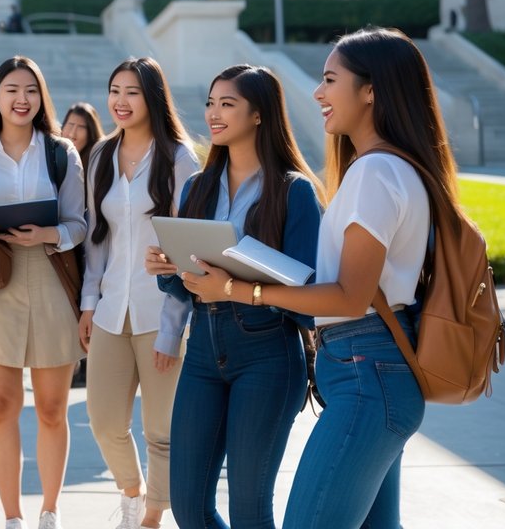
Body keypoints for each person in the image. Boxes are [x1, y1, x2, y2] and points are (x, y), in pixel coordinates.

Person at [177, 28, 454, 529]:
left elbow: (350, 297)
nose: (317, 92)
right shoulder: (390, 168)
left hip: (365, 370)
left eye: (330, 79)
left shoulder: (374, 174)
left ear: (371, 91)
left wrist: (237, 289)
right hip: (367, 369)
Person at [145, 65, 324, 529]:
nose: (213, 114)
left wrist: (236, 286)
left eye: (227, 104)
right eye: (210, 103)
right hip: (204, 350)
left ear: (259, 115)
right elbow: (184, 283)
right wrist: (169, 269)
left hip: (267, 353)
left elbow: (307, 292)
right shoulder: (196, 187)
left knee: (249, 509)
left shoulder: (294, 191)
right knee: (187, 505)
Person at [78, 57, 197, 529]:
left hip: (160, 312)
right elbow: (95, 238)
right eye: (114, 91)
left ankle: (151, 516)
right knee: (104, 421)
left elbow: (186, 247)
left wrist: (173, 328)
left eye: (131, 92)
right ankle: (132, 491)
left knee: (161, 431)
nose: (120, 101)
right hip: (110, 309)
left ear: (153, 97)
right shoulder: (101, 156)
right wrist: (89, 305)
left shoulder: (179, 158)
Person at [0, 57, 88, 529]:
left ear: (41, 98)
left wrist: (46, 235)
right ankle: (13, 516)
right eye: (12, 90)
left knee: (52, 407)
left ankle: (49, 510)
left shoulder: (61, 152)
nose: (22, 99)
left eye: (31, 91)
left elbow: (81, 224)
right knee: (1, 406)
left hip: (51, 276)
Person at [59, 101, 106, 388]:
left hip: (88, 244)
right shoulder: (57, 156)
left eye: (81, 127)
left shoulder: (95, 162)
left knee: (86, 303)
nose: (74, 132)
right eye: (70, 125)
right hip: (65, 243)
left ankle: (86, 362)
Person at [60, 102, 104, 167]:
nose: (72, 134)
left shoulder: (99, 163)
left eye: (81, 127)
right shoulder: (51, 156)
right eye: (71, 124)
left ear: (91, 134)